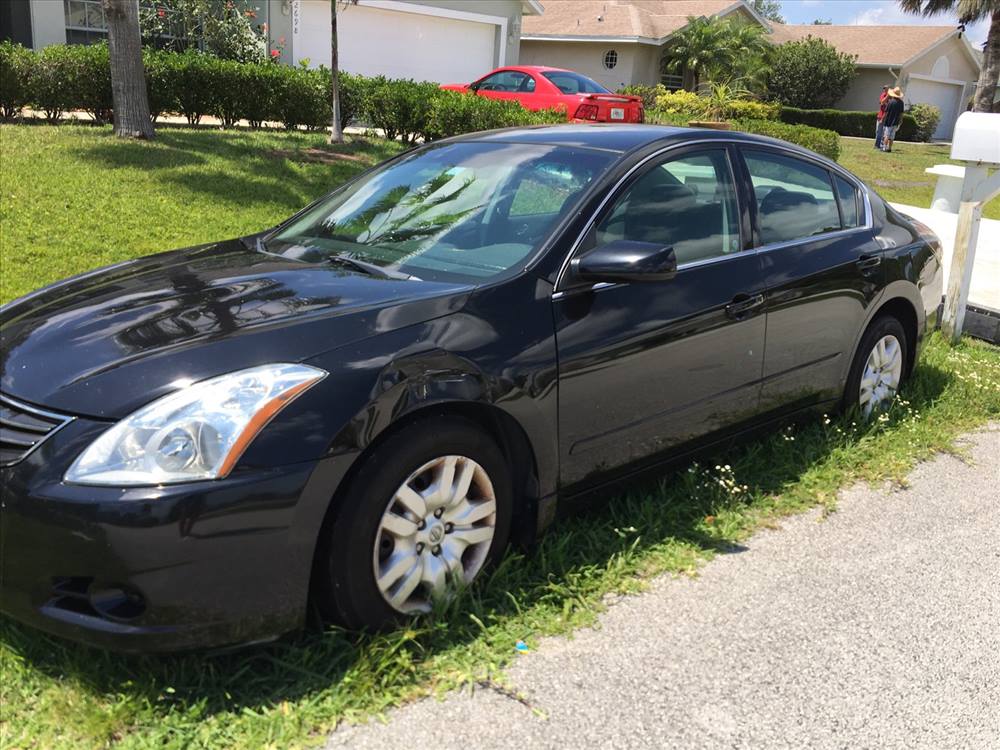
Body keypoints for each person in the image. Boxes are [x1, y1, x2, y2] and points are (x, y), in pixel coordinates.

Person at [881, 87, 905, 153]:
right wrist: (901, 120)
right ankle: (889, 148)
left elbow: (886, 112)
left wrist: (882, 119)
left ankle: (884, 148)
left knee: (886, 135)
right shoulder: (901, 103)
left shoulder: (890, 102)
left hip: (889, 121)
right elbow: (901, 113)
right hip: (896, 122)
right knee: (892, 136)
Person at [875, 85, 889, 149]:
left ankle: (881, 145)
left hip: (886, 117)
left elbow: (887, 105)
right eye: (884, 88)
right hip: (880, 115)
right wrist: (886, 97)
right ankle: (877, 145)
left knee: (884, 132)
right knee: (878, 131)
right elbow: (881, 102)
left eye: (886, 88)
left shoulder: (891, 97)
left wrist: (888, 97)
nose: (884, 90)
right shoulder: (883, 94)